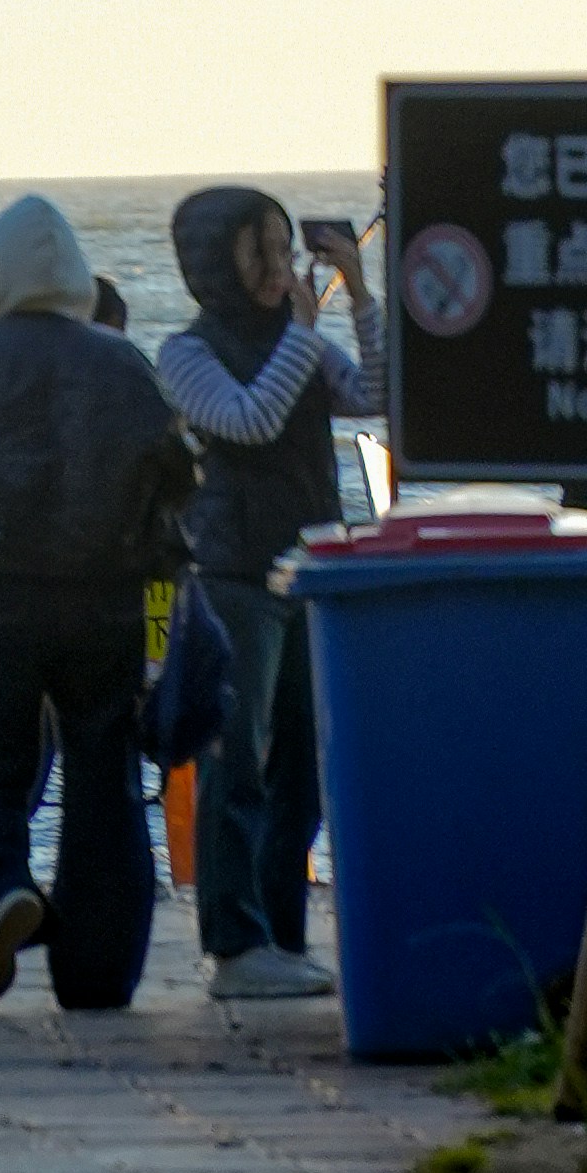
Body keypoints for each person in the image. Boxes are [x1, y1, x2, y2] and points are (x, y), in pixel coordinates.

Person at [0, 193, 195, 1012]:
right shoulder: (125, 366)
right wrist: (162, 607)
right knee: (106, 778)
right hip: (110, 604)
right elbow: (176, 490)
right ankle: (97, 973)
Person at [156, 187, 386, 1007]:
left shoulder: (300, 344)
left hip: (305, 573)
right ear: (215, 263)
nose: (280, 268)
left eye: (284, 250)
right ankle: (235, 941)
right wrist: (304, 332)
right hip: (233, 579)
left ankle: (282, 934)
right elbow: (246, 421)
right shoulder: (184, 354)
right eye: (260, 252)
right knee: (237, 764)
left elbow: (379, 395)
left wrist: (359, 290)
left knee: (305, 771)